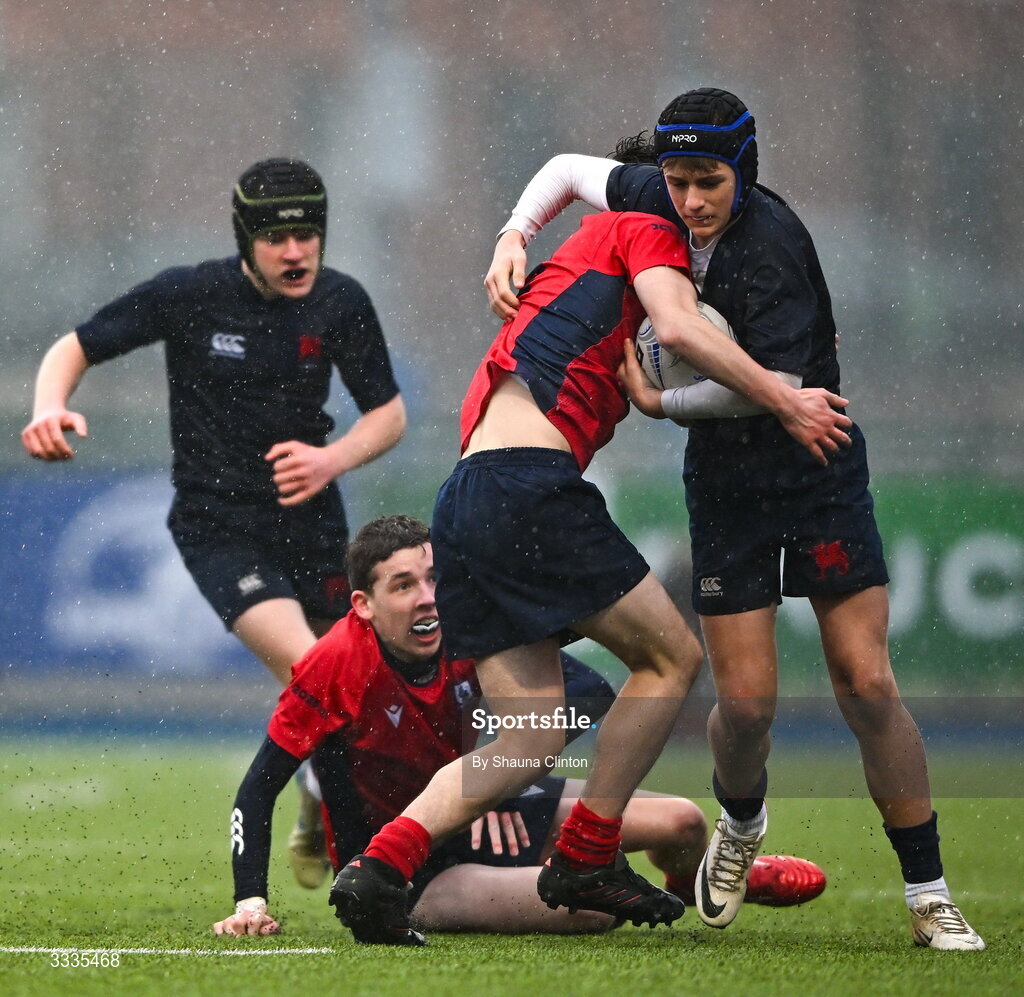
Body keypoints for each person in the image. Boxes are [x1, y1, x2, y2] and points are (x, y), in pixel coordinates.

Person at [482, 87, 984, 952]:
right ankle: (741, 826)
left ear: (743, 168)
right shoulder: (656, 196)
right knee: (747, 704)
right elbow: (565, 169)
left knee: (865, 681)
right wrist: (512, 235)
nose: (690, 201)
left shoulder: (775, 247)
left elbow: (783, 397)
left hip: (813, 465)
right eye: (675, 180)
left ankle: (929, 892)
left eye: (707, 180)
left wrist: (660, 399)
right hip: (725, 483)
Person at [327, 175, 851, 944]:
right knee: (671, 658)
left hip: (467, 493)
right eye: (683, 191)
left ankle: (379, 867)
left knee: (529, 736)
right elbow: (676, 328)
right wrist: (785, 393)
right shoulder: (645, 231)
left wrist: (514, 228)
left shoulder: (560, 278)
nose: (697, 218)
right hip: (528, 487)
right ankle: (585, 853)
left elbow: (577, 197)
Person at [21, 158, 407, 889]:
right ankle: (370, 862)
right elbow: (76, 345)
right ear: (244, 239)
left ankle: (321, 798)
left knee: (355, 691)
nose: (295, 252)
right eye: (276, 239)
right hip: (217, 525)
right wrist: (48, 406)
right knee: (315, 674)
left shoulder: (342, 303)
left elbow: (388, 415)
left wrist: (331, 460)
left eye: (307, 235)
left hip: (314, 522)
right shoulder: (190, 294)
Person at [212, 514, 826, 939]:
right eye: (403, 586)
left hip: (488, 811)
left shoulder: (466, 625)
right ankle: (590, 876)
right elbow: (257, 788)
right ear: (363, 606)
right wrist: (250, 904)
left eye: (433, 579)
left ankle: (708, 880)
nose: (428, 598)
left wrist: (498, 773)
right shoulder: (334, 666)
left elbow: (588, 692)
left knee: (686, 821)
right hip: (416, 869)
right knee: (593, 910)